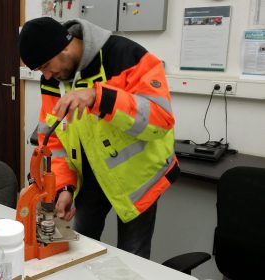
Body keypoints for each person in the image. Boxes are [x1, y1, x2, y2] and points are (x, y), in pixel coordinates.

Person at [18, 17, 179, 259]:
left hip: (137, 180)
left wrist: (98, 98)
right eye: (40, 71)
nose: (47, 76)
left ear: (64, 47)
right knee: (80, 249)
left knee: (132, 256)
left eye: (46, 66)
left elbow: (160, 120)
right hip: (90, 177)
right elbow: (53, 142)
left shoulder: (125, 56)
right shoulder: (53, 80)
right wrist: (64, 187)